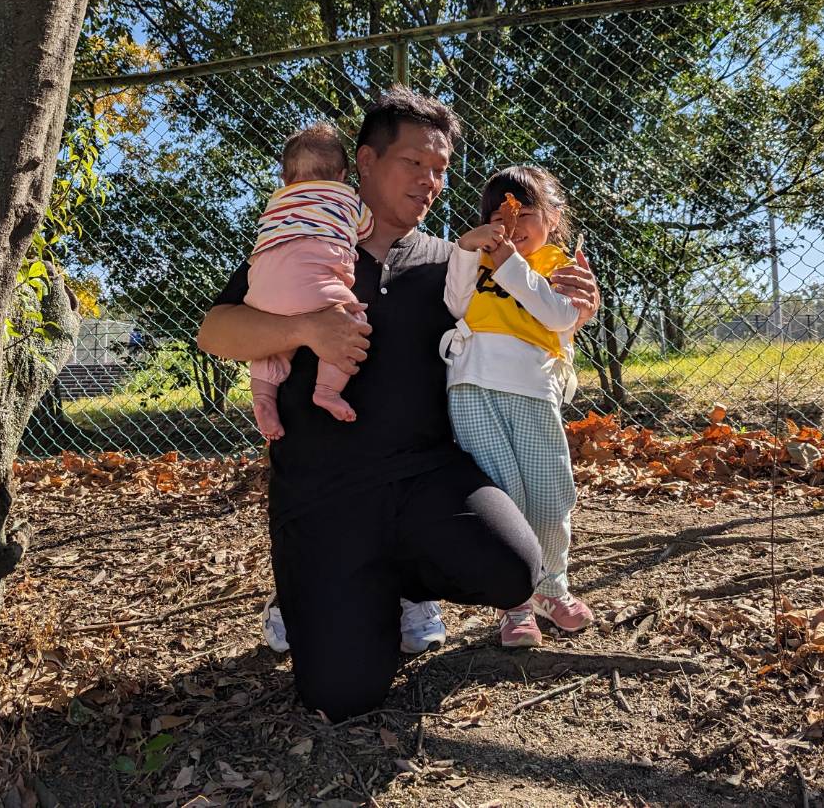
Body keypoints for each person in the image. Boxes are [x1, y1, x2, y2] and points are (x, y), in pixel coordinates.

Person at [196, 89, 599, 720]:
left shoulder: (453, 263)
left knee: (517, 568)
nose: (431, 181)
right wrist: (306, 329)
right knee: (343, 697)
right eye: (414, 163)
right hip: (324, 493)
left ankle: (409, 586)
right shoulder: (307, 241)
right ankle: (315, 589)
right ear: (364, 161)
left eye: (440, 169)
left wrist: (573, 310)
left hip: (428, 478)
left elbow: (527, 322)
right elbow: (215, 331)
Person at [444, 167, 594, 647]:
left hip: (533, 390)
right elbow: (453, 303)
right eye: (500, 216)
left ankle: (550, 586)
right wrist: (468, 250)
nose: (512, 225)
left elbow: (557, 314)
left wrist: (511, 261)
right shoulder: (478, 260)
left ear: (552, 219)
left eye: (527, 214)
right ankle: (515, 604)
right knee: (506, 498)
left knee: (550, 498)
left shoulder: (557, 263)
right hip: (472, 387)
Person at [244, 123, 373, 438]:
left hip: (261, 283)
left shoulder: (279, 201)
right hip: (310, 281)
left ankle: (263, 396)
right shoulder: (347, 197)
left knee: (271, 347)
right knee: (350, 321)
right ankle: (327, 390)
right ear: (343, 175)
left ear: (286, 179)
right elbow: (366, 230)